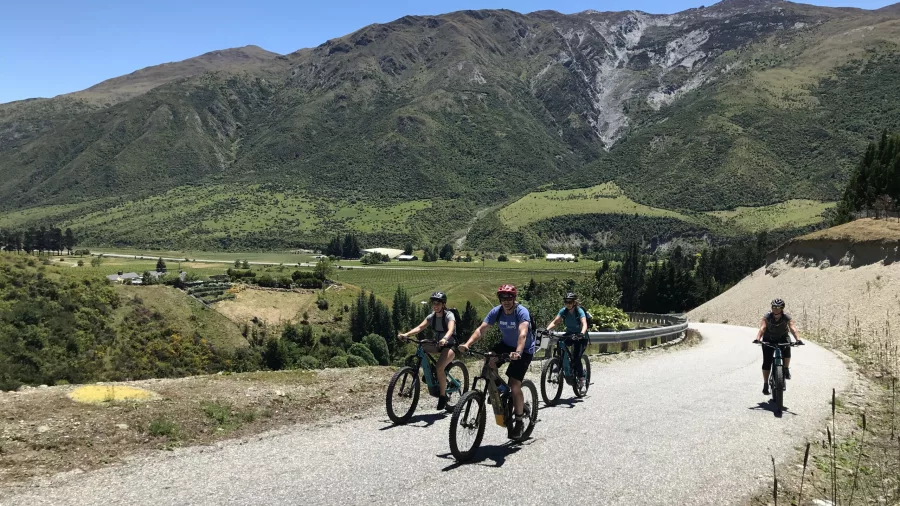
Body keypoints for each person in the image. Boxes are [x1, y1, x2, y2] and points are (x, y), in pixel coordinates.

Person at [458, 284, 535, 439]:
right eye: (503, 298)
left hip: (524, 350)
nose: (506, 301)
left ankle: (519, 421)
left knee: (514, 385)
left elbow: (523, 333)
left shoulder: (521, 312)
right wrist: (467, 344)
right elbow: (481, 329)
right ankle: (499, 388)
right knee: (488, 364)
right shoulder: (497, 312)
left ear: (514, 298)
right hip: (506, 345)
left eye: (509, 298)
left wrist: (518, 352)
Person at [397, 291, 457, 410]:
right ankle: (430, 372)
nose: (435, 305)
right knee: (422, 345)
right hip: (438, 344)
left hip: (450, 345)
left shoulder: (449, 315)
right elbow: (420, 327)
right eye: (433, 303)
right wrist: (407, 334)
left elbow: (451, 329)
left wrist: (445, 338)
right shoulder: (432, 317)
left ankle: (442, 396)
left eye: (438, 303)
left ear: (443, 304)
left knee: (440, 367)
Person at [753, 298, 803, 395]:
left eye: (778, 307)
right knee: (767, 362)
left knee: (787, 349)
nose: (775, 309)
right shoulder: (767, 316)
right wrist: (758, 338)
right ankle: (765, 384)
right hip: (768, 338)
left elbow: (792, 328)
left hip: (782, 337)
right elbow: (762, 328)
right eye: (774, 307)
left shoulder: (786, 317)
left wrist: (798, 339)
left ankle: (786, 368)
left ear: (782, 308)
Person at [545, 292, 588, 391]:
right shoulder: (564, 311)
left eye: (570, 302)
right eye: (566, 301)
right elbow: (555, 322)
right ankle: (559, 363)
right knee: (560, 343)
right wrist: (547, 330)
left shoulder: (579, 311)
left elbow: (584, 323)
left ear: (574, 302)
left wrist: (581, 333)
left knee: (576, 358)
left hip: (581, 337)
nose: (568, 303)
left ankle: (582, 379)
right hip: (570, 334)